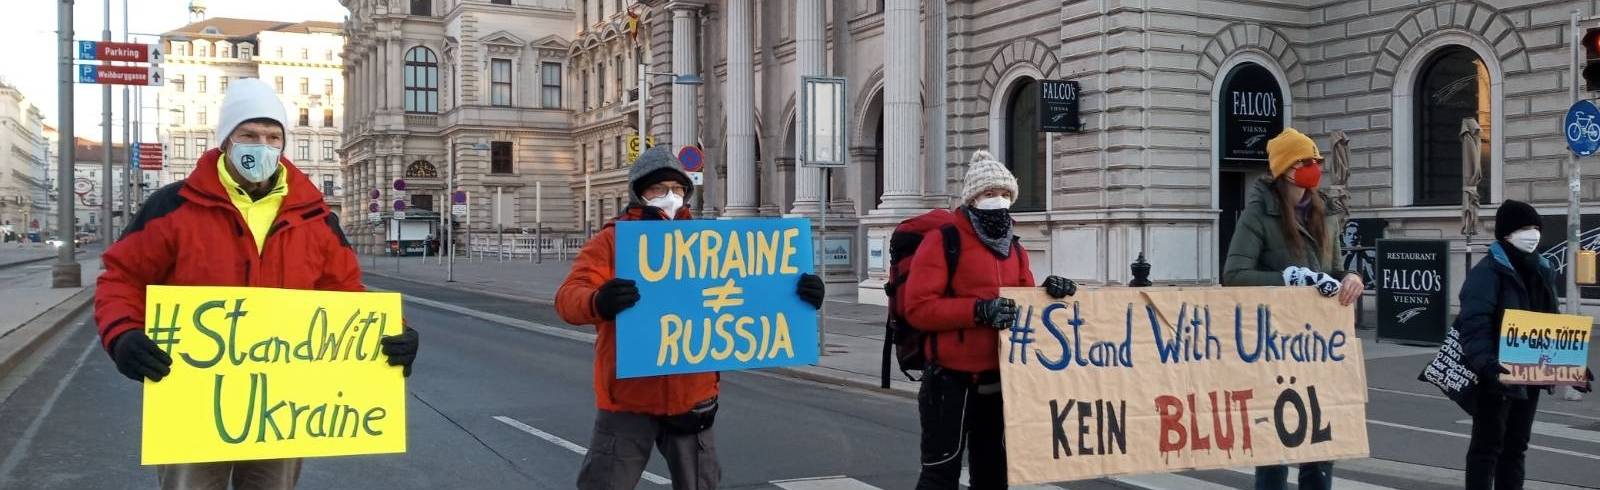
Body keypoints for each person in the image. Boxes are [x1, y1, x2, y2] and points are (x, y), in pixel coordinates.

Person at [94, 78, 420, 490]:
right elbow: (121, 278)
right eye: (249, 134)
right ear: (226, 140)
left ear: (283, 143)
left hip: (283, 403)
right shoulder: (172, 206)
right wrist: (122, 335)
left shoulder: (316, 217)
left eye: (272, 136)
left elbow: (346, 294)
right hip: (193, 396)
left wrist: (395, 331)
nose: (261, 145)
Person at [555, 146, 827, 490]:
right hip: (628, 397)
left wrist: (799, 296)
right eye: (659, 189)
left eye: (678, 188)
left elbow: (751, 290)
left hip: (691, 397)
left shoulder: (707, 242)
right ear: (640, 193)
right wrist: (598, 301)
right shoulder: (612, 241)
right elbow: (568, 298)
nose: (670, 196)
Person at [899, 150, 1077, 490]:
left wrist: (1049, 292)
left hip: (1000, 380)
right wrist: (979, 311)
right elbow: (919, 308)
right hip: (949, 382)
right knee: (941, 472)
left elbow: (1025, 307)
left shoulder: (1015, 248)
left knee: (994, 474)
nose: (998, 200)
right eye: (989, 193)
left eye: (1004, 194)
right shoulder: (944, 241)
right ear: (972, 198)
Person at [1221, 128, 1364, 490]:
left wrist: (1351, 278)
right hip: (1275, 346)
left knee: (1320, 443)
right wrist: (1285, 278)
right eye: (1305, 162)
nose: (1314, 168)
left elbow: (1334, 269)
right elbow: (1234, 275)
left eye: (1317, 161)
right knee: (1274, 444)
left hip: (1319, 346)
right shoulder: (1258, 215)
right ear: (1285, 170)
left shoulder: (1327, 213)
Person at [1458, 200, 1593, 489]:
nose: (1532, 234)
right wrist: (1490, 366)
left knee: (1516, 448)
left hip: (1527, 376)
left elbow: (1550, 326)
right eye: (1525, 228)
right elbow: (1473, 326)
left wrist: (1572, 368)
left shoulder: (1541, 269)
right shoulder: (1487, 273)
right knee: (1487, 450)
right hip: (1494, 377)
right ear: (1507, 233)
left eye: (1535, 228)